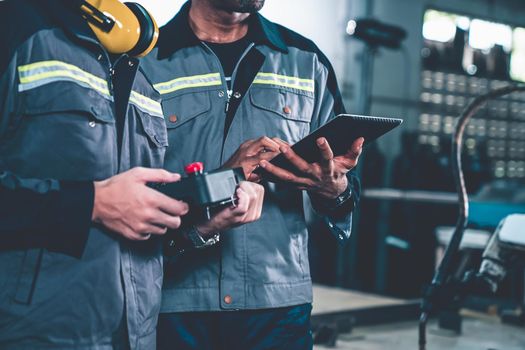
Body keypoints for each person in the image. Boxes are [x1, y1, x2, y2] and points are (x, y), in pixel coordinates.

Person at [0, 0, 263, 348]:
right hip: (34, 332)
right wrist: (90, 204)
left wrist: (198, 225)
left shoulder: (139, 70)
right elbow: (101, 206)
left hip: (134, 335)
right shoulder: (14, 28)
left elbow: (129, 227)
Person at [142, 0, 363, 348]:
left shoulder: (306, 62)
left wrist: (333, 190)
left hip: (276, 306)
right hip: (173, 300)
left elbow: (343, 193)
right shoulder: (144, 63)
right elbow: (122, 189)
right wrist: (222, 179)